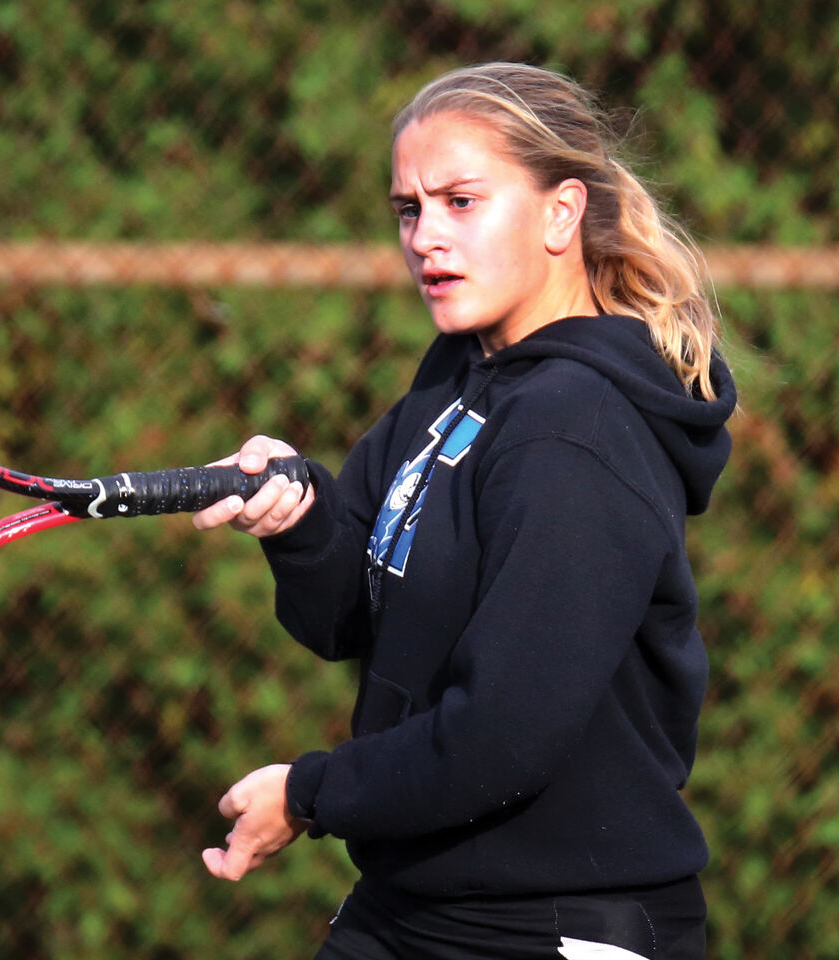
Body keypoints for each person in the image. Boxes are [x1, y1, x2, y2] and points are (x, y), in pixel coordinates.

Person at [192, 62, 737, 960]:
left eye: (460, 202)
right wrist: (297, 520)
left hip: (557, 925)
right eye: (410, 209)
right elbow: (344, 613)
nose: (426, 237)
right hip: (413, 906)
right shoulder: (458, 377)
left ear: (563, 212)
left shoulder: (575, 428)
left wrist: (309, 794)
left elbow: (503, 736)